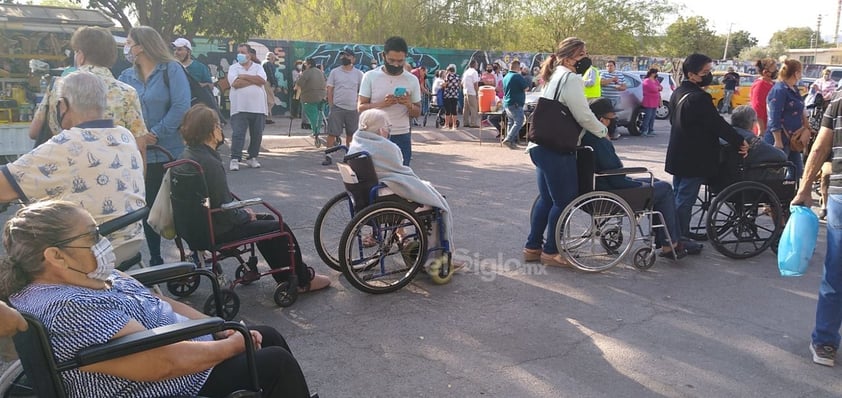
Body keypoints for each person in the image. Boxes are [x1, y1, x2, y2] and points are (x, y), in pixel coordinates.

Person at [0, 200, 314, 397]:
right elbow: (160, 363)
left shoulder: (89, 275)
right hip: (169, 384)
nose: (103, 242)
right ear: (55, 255)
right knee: (275, 363)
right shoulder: (67, 306)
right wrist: (230, 344)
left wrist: (216, 325)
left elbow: (156, 301)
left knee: (267, 336)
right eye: (92, 236)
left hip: (186, 354)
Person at [178, 104, 331, 293]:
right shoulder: (209, 163)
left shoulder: (187, 156)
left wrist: (242, 212)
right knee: (279, 227)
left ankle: (284, 275)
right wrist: (244, 215)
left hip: (196, 227)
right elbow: (223, 207)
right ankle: (301, 279)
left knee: (266, 221)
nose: (221, 129)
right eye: (218, 125)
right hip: (218, 228)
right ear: (210, 130)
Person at [0, 72, 145, 269]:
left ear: (63, 105)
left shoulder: (64, 144)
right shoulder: (124, 136)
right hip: (129, 243)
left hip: (88, 253)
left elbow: (4, 188)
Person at [523, 37, 606, 267]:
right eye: (582, 54)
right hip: (556, 148)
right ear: (569, 57)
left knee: (547, 200)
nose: (586, 58)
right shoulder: (570, 79)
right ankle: (551, 251)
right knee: (564, 200)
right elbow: (583, 115)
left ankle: (532, 247)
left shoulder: (552, 76)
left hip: (540, 146)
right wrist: (602, 130)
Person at [118, 26, 191, 266]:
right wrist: (136, 136)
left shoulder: (172, 70)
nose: (126, 48)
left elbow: (181, 106)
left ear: (142, 46)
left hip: (170, 151)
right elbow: (120, 113)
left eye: (129, 43)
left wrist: (155, 133)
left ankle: (191, 253)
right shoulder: (125, 77)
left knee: (178, 208)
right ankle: (156, 259)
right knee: (148, 209)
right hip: (140, 155)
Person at [666, 53, 749, 255]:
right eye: (705, 72)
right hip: (694, 157)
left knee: (679, 195)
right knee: (685, 199)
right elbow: (718, 125)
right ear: (692, 75)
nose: (709, 75)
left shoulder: (679, 92)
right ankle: (677, 240)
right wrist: (740, 141)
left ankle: (673, 236)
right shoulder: (699, 97)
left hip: (679, 153)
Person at [582, 98, 685, 258]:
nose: (613, 123)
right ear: (601, 120)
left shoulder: (587, 137)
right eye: (611, 119)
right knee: (664, 189)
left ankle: (667, 239)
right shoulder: (599, 141)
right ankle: (669, 242)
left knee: (656, 183)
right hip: (611, 190)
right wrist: (634, 183)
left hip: (599, 186)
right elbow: (617, 178)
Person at [30, 26, 148, 164]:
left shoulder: (58, 86)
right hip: (113, 174)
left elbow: (34, 132)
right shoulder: (127, 93)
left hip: (64, 169)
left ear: (80, 55)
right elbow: (140, 145)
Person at [347, 109, 454, 248]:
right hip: (385, 197)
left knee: (421, 188)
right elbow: (400, 171)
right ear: (380, 130)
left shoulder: (356, 144)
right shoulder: (386, 147)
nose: (388, 131)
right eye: (387, 127)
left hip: (364, 198)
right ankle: (435, 254)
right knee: (436, 205)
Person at [791, 88, 842, 367]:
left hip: (841, 194)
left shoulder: (839, 101)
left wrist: (804, 188)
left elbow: (821, 147)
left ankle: (824, 343)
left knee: (836, 273)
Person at [358, 36, 422, 166]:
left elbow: (417, 112)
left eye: (400, 61)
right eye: (391, 60)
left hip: (401, 135)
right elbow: (360, 108)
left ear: (405, 58)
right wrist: (382, 104)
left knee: (401, 180)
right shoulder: (370, 76)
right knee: (374, 180)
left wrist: (408, 104)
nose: (396, 65)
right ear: (383, 56)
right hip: (374, 136)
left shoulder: (412, 80)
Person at [762, 59, 810, 182]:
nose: (802, 74)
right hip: (780, 138)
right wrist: (777, 141)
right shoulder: (780, 90)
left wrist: (806, 126)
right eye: (801, 71)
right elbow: (774, 115)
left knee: (796, 170)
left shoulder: (793, 88)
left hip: (793, 138)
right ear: (796, 73)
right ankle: (772, 197)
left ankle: (786, 196)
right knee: (774, 173)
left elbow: (801, 108)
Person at [226, 43, 267, 171]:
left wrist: (243, 76)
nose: (240, 55)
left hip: (258, 108)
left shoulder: (258, 67)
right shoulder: (234, 68)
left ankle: (252, 157)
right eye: (239, 52)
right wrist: (253, 79)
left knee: (257, 134)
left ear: (249, 55)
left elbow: (262, 80)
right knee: (238, 134)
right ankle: (235, 158)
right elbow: (235, 83)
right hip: (239, 107)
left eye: (243, 52)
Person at [323, 48, 364, 166]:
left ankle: (349, 156)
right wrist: (331, 106)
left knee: (351, 133)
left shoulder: (359, 74)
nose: (344, 58)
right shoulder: (334, 72)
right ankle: (328, 155)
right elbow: (329, 90)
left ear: (353, 58)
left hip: (353, 108)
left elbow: (362, 91)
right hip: (337, 107)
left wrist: (359, 106)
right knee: (332, 133)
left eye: (347, 56)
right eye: (342, 56)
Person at [296, 58, 327, 147]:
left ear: (308, 64)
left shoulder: (306, 72)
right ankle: (317, 130)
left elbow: (299, 84)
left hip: (309, 97)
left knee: (312, 115)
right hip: (322, 96)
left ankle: (315, 132)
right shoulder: (320, 72)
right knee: (320, 113)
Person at [501, 59, 529, 149]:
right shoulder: (517, 76)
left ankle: (511, 142)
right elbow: (526, 88)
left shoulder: (505, 77)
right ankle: (508, 139)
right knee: (519, 121)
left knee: (511, 122)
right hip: (516, 103)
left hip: (507, 102)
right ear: (518, 67)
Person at [750, 58, 778, 135]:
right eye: (774, 69)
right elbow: (757, 107)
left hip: (772, 126)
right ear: (765, 72)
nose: (776, 71)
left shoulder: (773, 84)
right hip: (764, 128)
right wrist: (761, 129)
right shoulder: (760, 85)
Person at [600, 60, 626, 140]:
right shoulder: (603, 74)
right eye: (607, 66)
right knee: (604, 116)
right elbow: (602, 83)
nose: (609, 67)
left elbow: (624, 87)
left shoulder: (620, 75)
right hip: (605, 99)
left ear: (614, 66)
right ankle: (605, 132)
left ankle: (613, 132)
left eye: (611, 66)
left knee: (614, 116)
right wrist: (612, 79)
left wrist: (619, 88)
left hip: (615, 99)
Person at [640, 68, 662, 137]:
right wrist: (657, 88)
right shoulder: (647, 81)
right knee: (648, 116)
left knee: (652, 116)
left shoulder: (655, 80)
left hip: (655, 101)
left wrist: (658, 87)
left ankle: (651, 130)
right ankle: (644, 130)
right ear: (652, 73)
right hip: (649, 101)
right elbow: (654, 89)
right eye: (655, 73)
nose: (656, 74)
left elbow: (661, 87)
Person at [440, 64, 460, 130]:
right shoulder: (458, 76)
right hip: (455, 95)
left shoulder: (448, 76)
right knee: (454, 110)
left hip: (448, 95)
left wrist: (441, 85)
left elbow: (445, 84)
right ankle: (454, 125)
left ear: (448, 70)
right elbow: (459, 85)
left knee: (447, 111)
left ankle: (447, 125)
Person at [461, 60, 480, 128]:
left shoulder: (466, 72)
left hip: (466, 91)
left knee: (466, 108)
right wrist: (477, 92)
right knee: (473, 108)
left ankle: (465, 122)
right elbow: (475, 83)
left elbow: (462, 83)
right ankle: (473, 123)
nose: (477, 65)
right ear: (474, 65)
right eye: (477, 64)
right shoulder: (474, 72)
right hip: (472, 92)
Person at [262, 52, 279, 125]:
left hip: (265, 83)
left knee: (267, 100)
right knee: (270, 101)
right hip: (268, 83)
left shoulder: (263, 63)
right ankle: (267, 117)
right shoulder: (268, 64)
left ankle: (268, 117)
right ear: (272, 58)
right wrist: (275, 84)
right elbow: (270, 74)